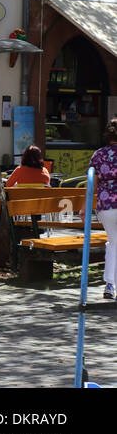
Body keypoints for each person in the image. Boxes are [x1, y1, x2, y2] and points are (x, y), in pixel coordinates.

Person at [89, 118, 117, 299]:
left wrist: (85, 207)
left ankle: (109, 284)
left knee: (114, 243)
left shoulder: (98, 155)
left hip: (106, 206)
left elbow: (93, 184)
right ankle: (110, 284)